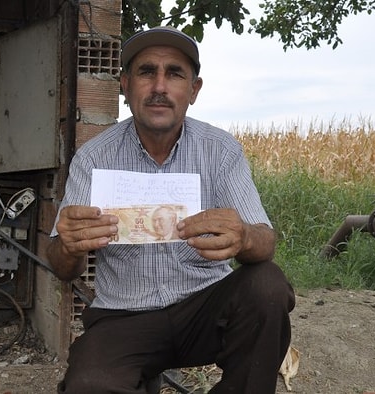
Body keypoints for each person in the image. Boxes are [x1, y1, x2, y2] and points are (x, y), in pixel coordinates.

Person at [46, 25, 295, 393]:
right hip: (123, 316)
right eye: (147, 72)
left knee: (267, 285)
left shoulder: (220, 151)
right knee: (89, 386)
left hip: (204, 309)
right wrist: (68, 244)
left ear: (193, 90)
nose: (160, 87)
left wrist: (243, 236)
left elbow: (265, 241)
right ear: (125, 85)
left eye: (174, 73)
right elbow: (63, 267)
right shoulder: (94, 158)